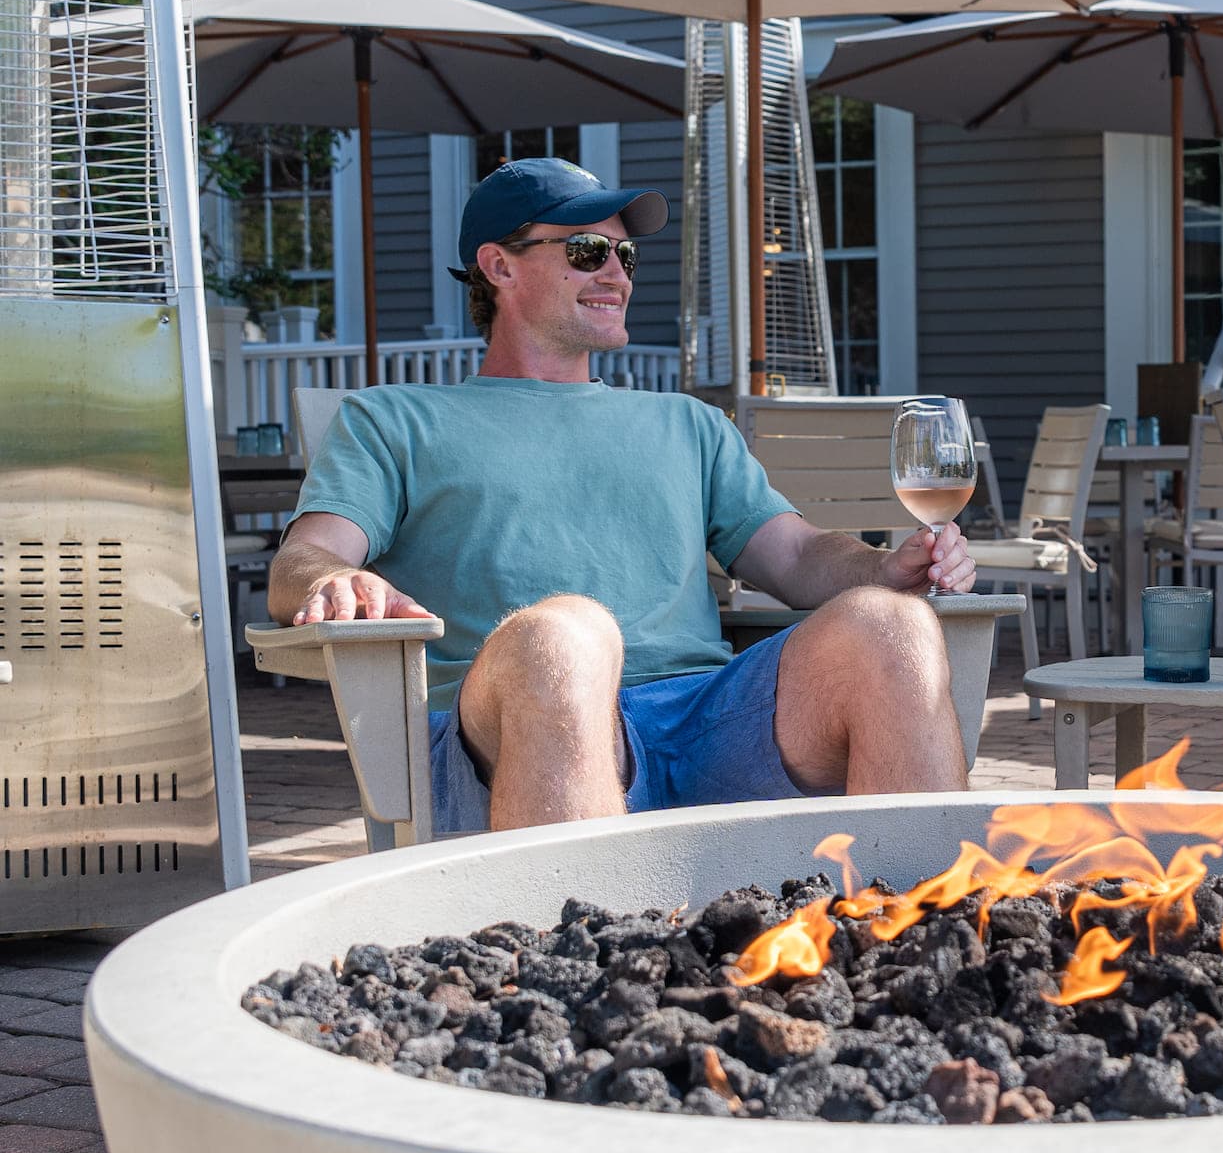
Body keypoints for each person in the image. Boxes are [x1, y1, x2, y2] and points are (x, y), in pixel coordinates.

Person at [267, 157, 975, 835]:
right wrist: (332, 579)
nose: (616, 272)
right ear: (499, 265)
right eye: (585, 250)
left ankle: (926, 940)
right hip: (514, 727)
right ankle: (569, 955)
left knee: (892, 624)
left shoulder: (689, 424)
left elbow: (794, 556)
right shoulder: (394, 419)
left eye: (624, 256)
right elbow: (304, 558)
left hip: (706, 720)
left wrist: (885, 568)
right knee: (567, 635)